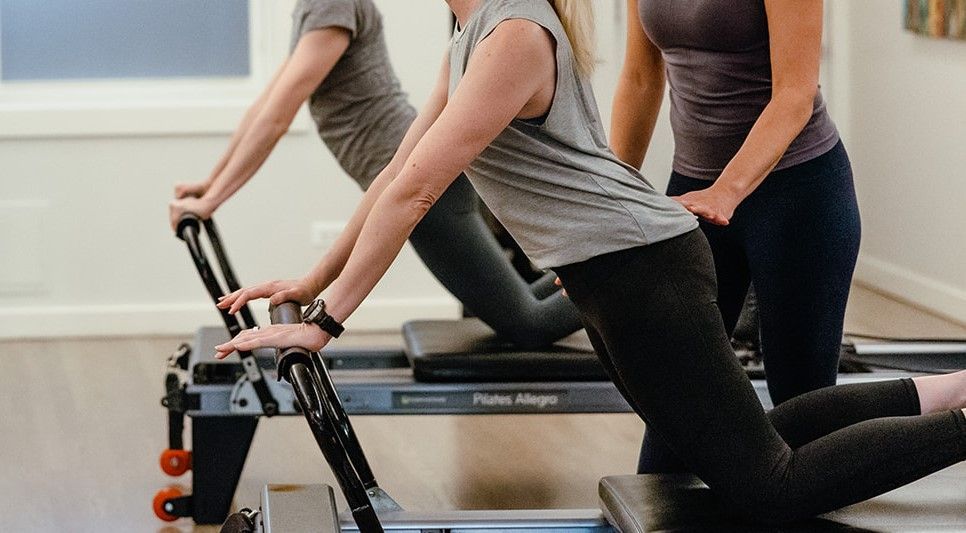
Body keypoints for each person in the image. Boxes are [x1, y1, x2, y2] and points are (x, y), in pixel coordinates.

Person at [213, 0, 966, 524]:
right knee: (749, 448)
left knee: (770, 484)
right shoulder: (472, 33)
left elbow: (415, 192)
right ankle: (949, 390)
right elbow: (392, 173)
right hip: (622, 271)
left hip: (646, 272)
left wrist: (327, 322)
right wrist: (311, 284)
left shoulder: (514, 34)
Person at [167, 0, 581, 349]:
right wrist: (211, 185)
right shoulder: (317, 5)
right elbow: (267, 103)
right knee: (524, 302)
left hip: (424, 180)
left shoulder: (334, 3)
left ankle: (620, 282)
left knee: (529, 324)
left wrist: (213, 201)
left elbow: (279, 114)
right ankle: (594, 275)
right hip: (406, 167)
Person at [611, 0, 861, 472]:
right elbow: (641, 79)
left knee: (803, 409)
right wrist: (607, 204)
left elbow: (795, 94)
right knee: (674, 401)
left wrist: (727, 191)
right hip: (693, 192)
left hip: (797, 192)